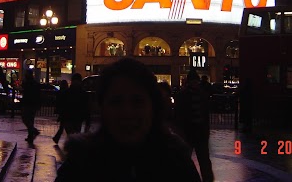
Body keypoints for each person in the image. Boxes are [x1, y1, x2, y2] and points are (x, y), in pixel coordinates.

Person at [55, 58, 201, 181]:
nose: (127, 112)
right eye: (116, 101)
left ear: (153, 106)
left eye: (137, 101)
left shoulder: (178, 163)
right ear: (101, 106)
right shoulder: (78, 165)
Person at [175, 69, 214, 182]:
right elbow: (205, 115)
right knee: (204, 161)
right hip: (198, 132)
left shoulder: (183, 94)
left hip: (189, 132)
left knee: (185, 160)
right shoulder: (202, 94)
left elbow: (179, 114)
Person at [20, 68, 41, 143]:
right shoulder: (34, 83)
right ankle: (31, 134)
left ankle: (32, 133)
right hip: (32, 103)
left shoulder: (28, 83)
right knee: (30, 119)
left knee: (26, 118)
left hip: (28, 103)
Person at [52, 79, 69, 144]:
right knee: (64, 126)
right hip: (65, 111)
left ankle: (57, 138)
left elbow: (57, 102)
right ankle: (57, 138)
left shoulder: (60, 92)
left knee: (62, 126)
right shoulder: (67, 92)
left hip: (62, 111)